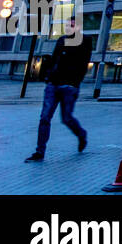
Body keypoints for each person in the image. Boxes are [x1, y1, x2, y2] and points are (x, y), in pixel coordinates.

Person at [25, 16, 93, 162]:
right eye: (68, 25)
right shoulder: (61, 40)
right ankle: (39, 152)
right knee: (44, 117)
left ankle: (81, 135)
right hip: (53, 84)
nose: (69, 27)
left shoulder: (85, 40)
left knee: (67, 118)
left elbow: (84, 63)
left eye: (73, 25)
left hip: (69, 86)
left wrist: (75, 83)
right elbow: (55, 59)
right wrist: (49, 77)